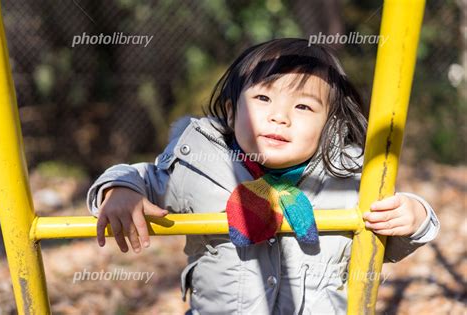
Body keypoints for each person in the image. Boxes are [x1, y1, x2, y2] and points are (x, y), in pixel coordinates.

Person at [86, 38, 440, 314]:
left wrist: (416, 215)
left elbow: (388, 239)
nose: (279, 117)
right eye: (263, 98)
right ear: (231, 110)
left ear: (330, 125)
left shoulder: (347, 177)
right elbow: (146, 177)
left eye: (303, 106)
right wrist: (120, 188)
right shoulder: (200, 164)